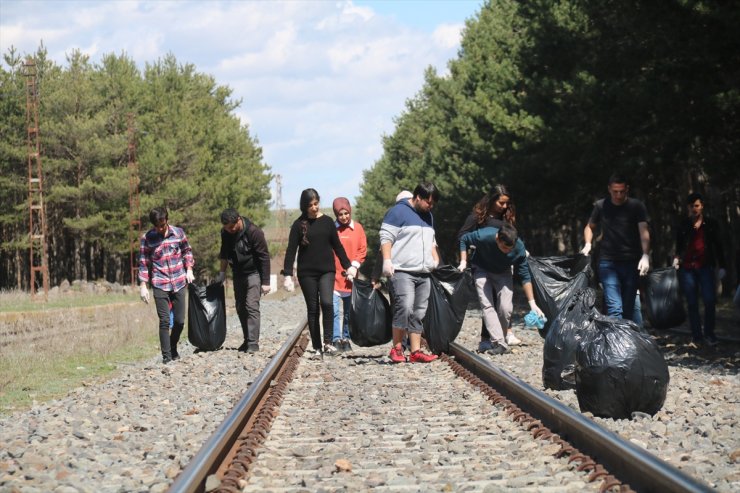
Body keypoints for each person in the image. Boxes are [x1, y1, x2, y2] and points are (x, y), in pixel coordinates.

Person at [282, 189, 355, 358]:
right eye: (310, 205)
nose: (314, 208)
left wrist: (348, 266)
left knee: (328, 303)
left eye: (316, 204)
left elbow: (337, 246)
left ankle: (328, 343)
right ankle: (317, 347)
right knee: (313, 309)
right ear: (304, 206)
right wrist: (287, 275)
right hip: (306, 273)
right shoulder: (298, 224)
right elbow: (291, 251)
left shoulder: (328, 222)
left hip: (327, 271)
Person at [458, 222, 545, 355]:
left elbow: (525, 276)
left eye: (510, 248)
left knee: (506, 308)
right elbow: (464, 239)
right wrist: (463, 261)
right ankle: (499, 342)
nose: (507, 251)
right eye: (504, 248)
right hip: (481, 269)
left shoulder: (519, 248)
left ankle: (501, 339)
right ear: (497, 238)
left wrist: (532, 304)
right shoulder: (484, 236)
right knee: (487, 305)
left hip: (503, 272)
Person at [380, 182, 441, 363]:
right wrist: (387, 260)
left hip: (423, 272)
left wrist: (435, 259)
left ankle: (415, 351)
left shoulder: (428, 216)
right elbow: (386, 237)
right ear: (418, 197)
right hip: (402, 270)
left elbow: (431, 241)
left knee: (419, 311)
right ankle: (397, 348)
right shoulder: (397, 212)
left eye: (433, 204)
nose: (431, 207)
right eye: (428, 203)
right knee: (404, 307)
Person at [456, 185, 522, 352]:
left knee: (503, 305)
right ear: (492, 200)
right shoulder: (478, 217)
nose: (504, 206)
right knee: (488, 303)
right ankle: (488, 339)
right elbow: (462, 237)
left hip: (503, 264)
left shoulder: (507, 217)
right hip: (483, 264)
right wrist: (475, 246)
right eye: (501, 203)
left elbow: (513, 237)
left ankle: (502, 334)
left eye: (507, 203)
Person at [581, 173, 650, 322]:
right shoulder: (601, 206)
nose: (618, 195)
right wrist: (587, 244)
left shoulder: (636, 206)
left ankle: (629, 341)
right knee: (614, 307)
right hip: (608, 262)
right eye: (615, 191)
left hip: (631, 262)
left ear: (627, 189)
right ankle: (616, 342)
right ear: (609, 189)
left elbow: (643, 230)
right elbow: (590, 227)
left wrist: (645, 255)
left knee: (629, 306)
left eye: (622, 191)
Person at [138, 207, 195, 364]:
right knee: (164, 321)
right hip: (160, 282)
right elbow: (143, 263)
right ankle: (167, 357)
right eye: (158, 226)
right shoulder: (147, 239)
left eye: (163, 225)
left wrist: (189, 268)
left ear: (167, 220)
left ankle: (172, 346)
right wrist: (143, 285)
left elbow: (187, 251)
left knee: (179, 321)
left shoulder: (178, 233)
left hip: (178, 281)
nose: (161, 229)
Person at [672, 193, 726, 346]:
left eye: (696, 205)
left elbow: (718, 245)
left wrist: (722, 265)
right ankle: (697, 336)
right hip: (688, 268)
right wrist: (677, 258)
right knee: (692, 302)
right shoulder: (683, 224)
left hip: (705, 267)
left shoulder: (711, 224)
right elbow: (679, 245)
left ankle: (709, 333)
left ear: (702, 206)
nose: (694, 209)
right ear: (687, 207)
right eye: (691, 206)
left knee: (709, 300)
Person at [215, 208, 271, 353]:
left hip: (254, 273)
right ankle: (247, 340)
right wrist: (222, 273)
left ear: (239, 219)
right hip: (238, 273)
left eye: (232, 227)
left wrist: (266, 282)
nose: (230, 230)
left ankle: (253, 343)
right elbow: (224, 253)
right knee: (240, 307)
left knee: (251, 305)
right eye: (227, 228)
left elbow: (264, 257)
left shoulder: (254, 232)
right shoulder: (225, 233)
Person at [331, 197, 367, 352]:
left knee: (348, 312)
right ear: (336, 215)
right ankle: (335, 339)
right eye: (340, 214)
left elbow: (362, 249)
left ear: (350, 211)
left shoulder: (358, 228)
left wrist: (354, 266)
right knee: (333, 310)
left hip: (350, 277)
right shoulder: (332, 229)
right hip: (333, 276)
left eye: (346, 213)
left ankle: (346, 338)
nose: (344, 217)